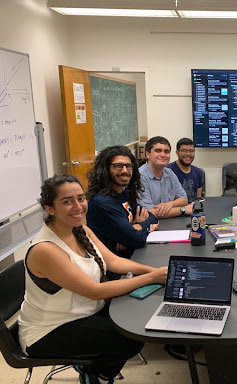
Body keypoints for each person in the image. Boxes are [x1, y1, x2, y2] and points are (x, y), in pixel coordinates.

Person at [18, 174, 168, 384]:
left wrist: (155, 271)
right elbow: (94, 291)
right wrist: (152, 277)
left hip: (85, 312)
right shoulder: (45, 250)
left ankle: (94, 367)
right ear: (49, 208)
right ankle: (97, 375)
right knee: (130, 338)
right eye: (67, 201)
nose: (78, 206)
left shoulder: (80, 230)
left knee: (137, 317)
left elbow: (115, 262)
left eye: (81, 198)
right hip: (50, 330)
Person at [86, 145, 158, 259]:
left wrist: (134, 228)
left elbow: (152, 217)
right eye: (118, 166)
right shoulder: (102, 203)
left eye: (128, 166)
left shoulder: (123, 194)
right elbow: (137, 240)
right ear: (106, 169)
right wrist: (132, 232)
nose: (125, 171)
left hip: (131, 256)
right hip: (113, 269)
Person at [138, 136, 193, 218]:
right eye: (158, 151)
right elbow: (149, 212)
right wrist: (183, 209)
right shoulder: (139, 177)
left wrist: (170, 204)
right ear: (147, 154)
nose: (163, 155)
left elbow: (184, 199)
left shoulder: (169, 173)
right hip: (150, 227)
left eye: (166, 152)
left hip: (171, 223)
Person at [167, 137, 204, 202]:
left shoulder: (198, 172)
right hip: (174, 210)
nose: (188, 154)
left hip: (192, 209)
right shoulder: (167, 171)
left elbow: (198, 198)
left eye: (191, 151)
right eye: (184, 151)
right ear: (177, 152)